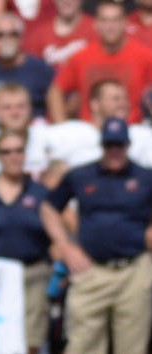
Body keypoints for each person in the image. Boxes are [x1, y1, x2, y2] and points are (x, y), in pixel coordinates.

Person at [40, 117, 152, 354]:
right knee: (82, 343)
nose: (114, 151)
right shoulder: (81, 175)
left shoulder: (145, 177)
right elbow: (49, 208)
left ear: (127, 145)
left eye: (119, 145)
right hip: (91, 269)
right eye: (109, 145)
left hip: (134, 270)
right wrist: (65, 246)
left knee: (133, 346)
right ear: (102, 146)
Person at [0, 130, 51, 354]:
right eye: (6, 151)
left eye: (19, 150)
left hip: (33, 273)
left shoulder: (41, 193)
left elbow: (57, 233)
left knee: (31, 339)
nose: (13, 156)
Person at [46, 0, 152, 124]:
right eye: (105, 20)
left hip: (131, 131)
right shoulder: (81, 57)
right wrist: (61, 126)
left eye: (115, 20)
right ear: (96, 24)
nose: (110, 26)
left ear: (125, 23)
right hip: (91, 133)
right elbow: (55, 90)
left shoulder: (144, 56)